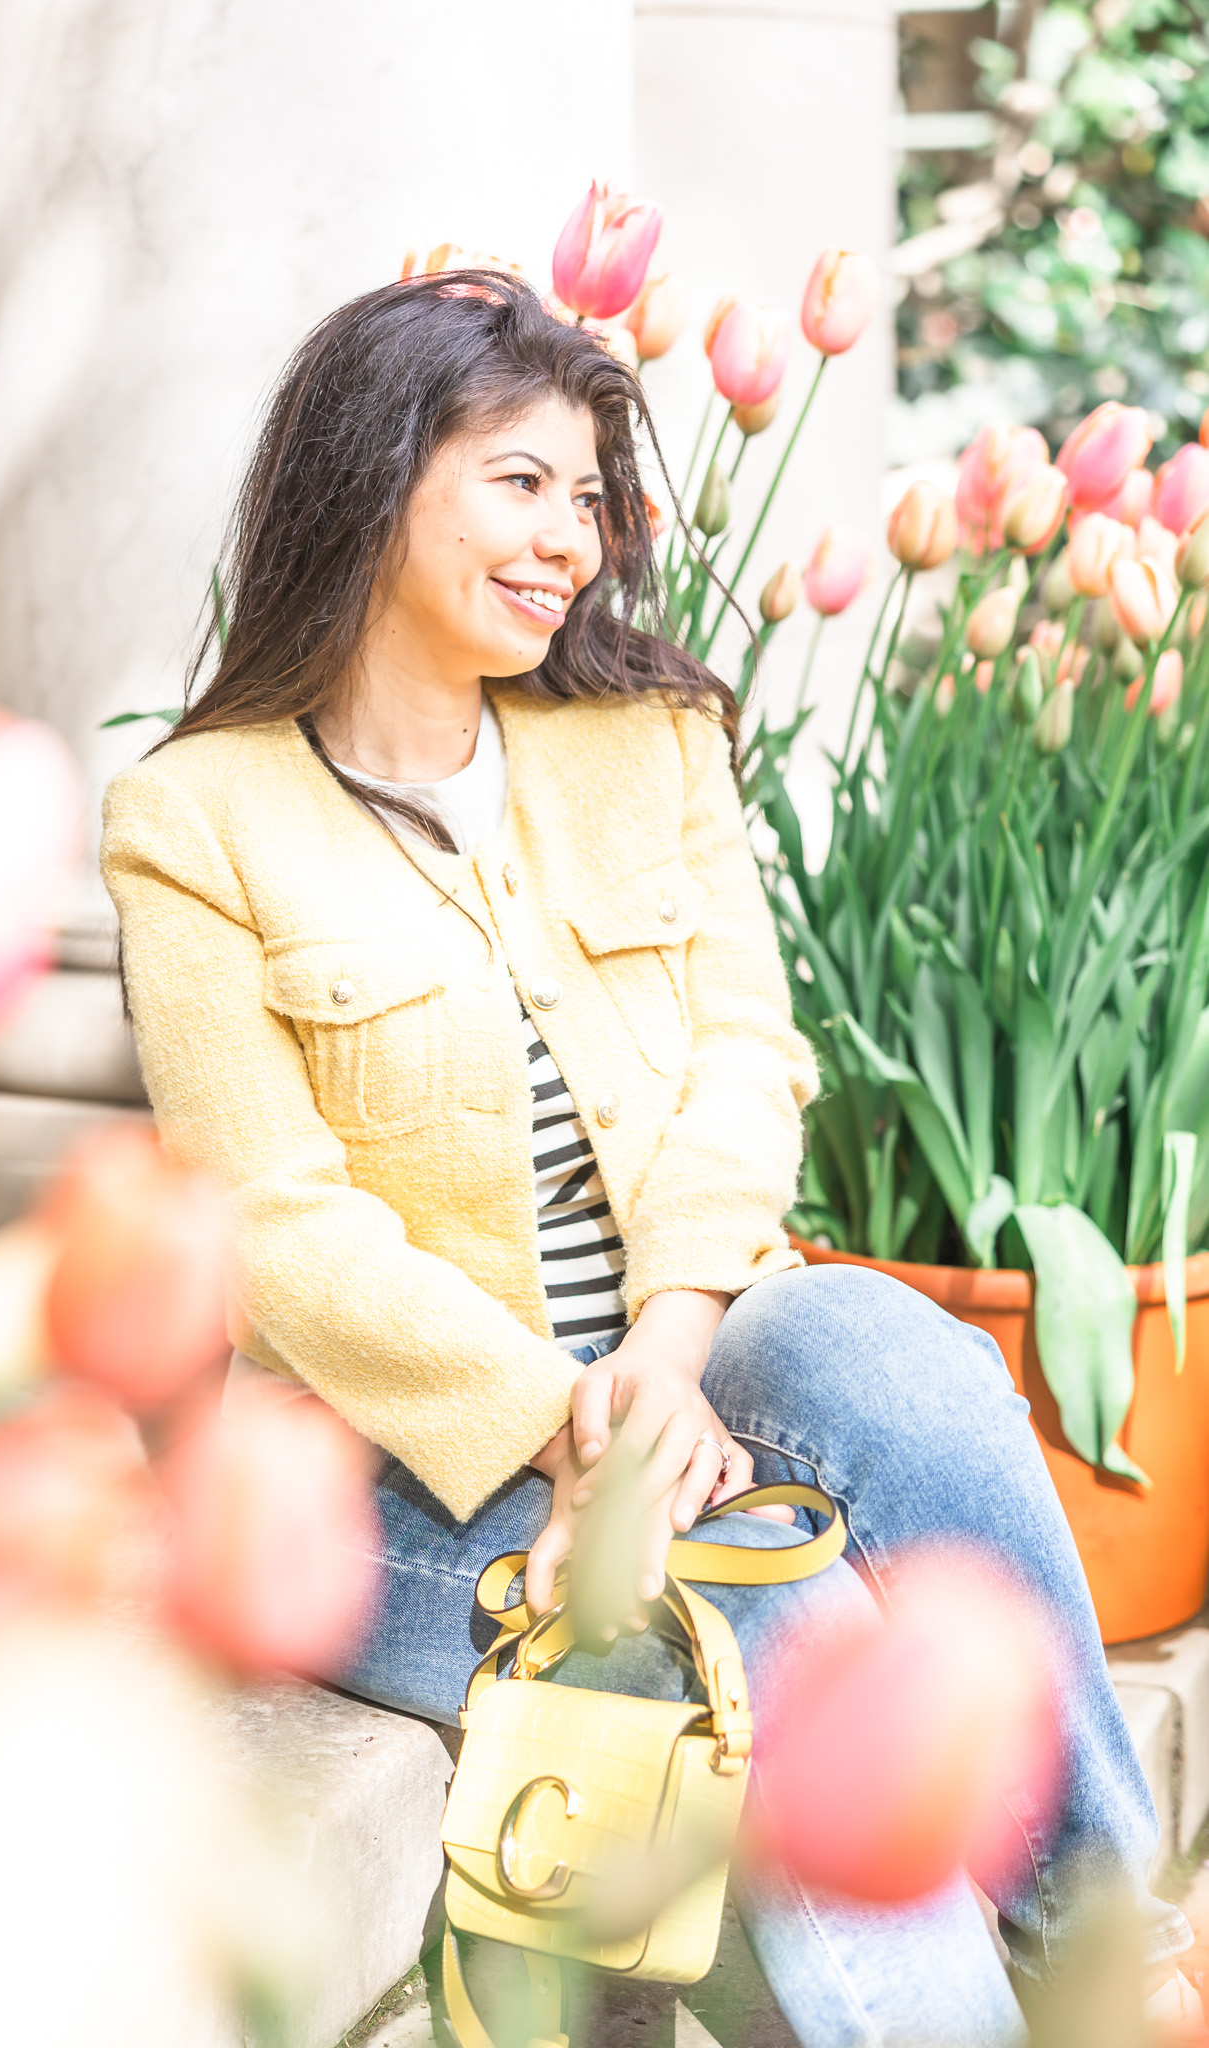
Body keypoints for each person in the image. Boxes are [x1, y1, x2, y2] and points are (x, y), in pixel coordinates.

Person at [102, 271, 1195, 2044]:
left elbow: (746, 1061)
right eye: (520, 482)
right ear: (373, 477)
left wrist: (663, 1369)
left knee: (883, 1349)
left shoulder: (646, 740)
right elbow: (272, 1229)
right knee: (756, 1607)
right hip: (376, 1479)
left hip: (676, 1374)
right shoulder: (198, 817)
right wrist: (569, 1424)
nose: (573, 538)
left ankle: (1123, 1964)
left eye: (590, 494)